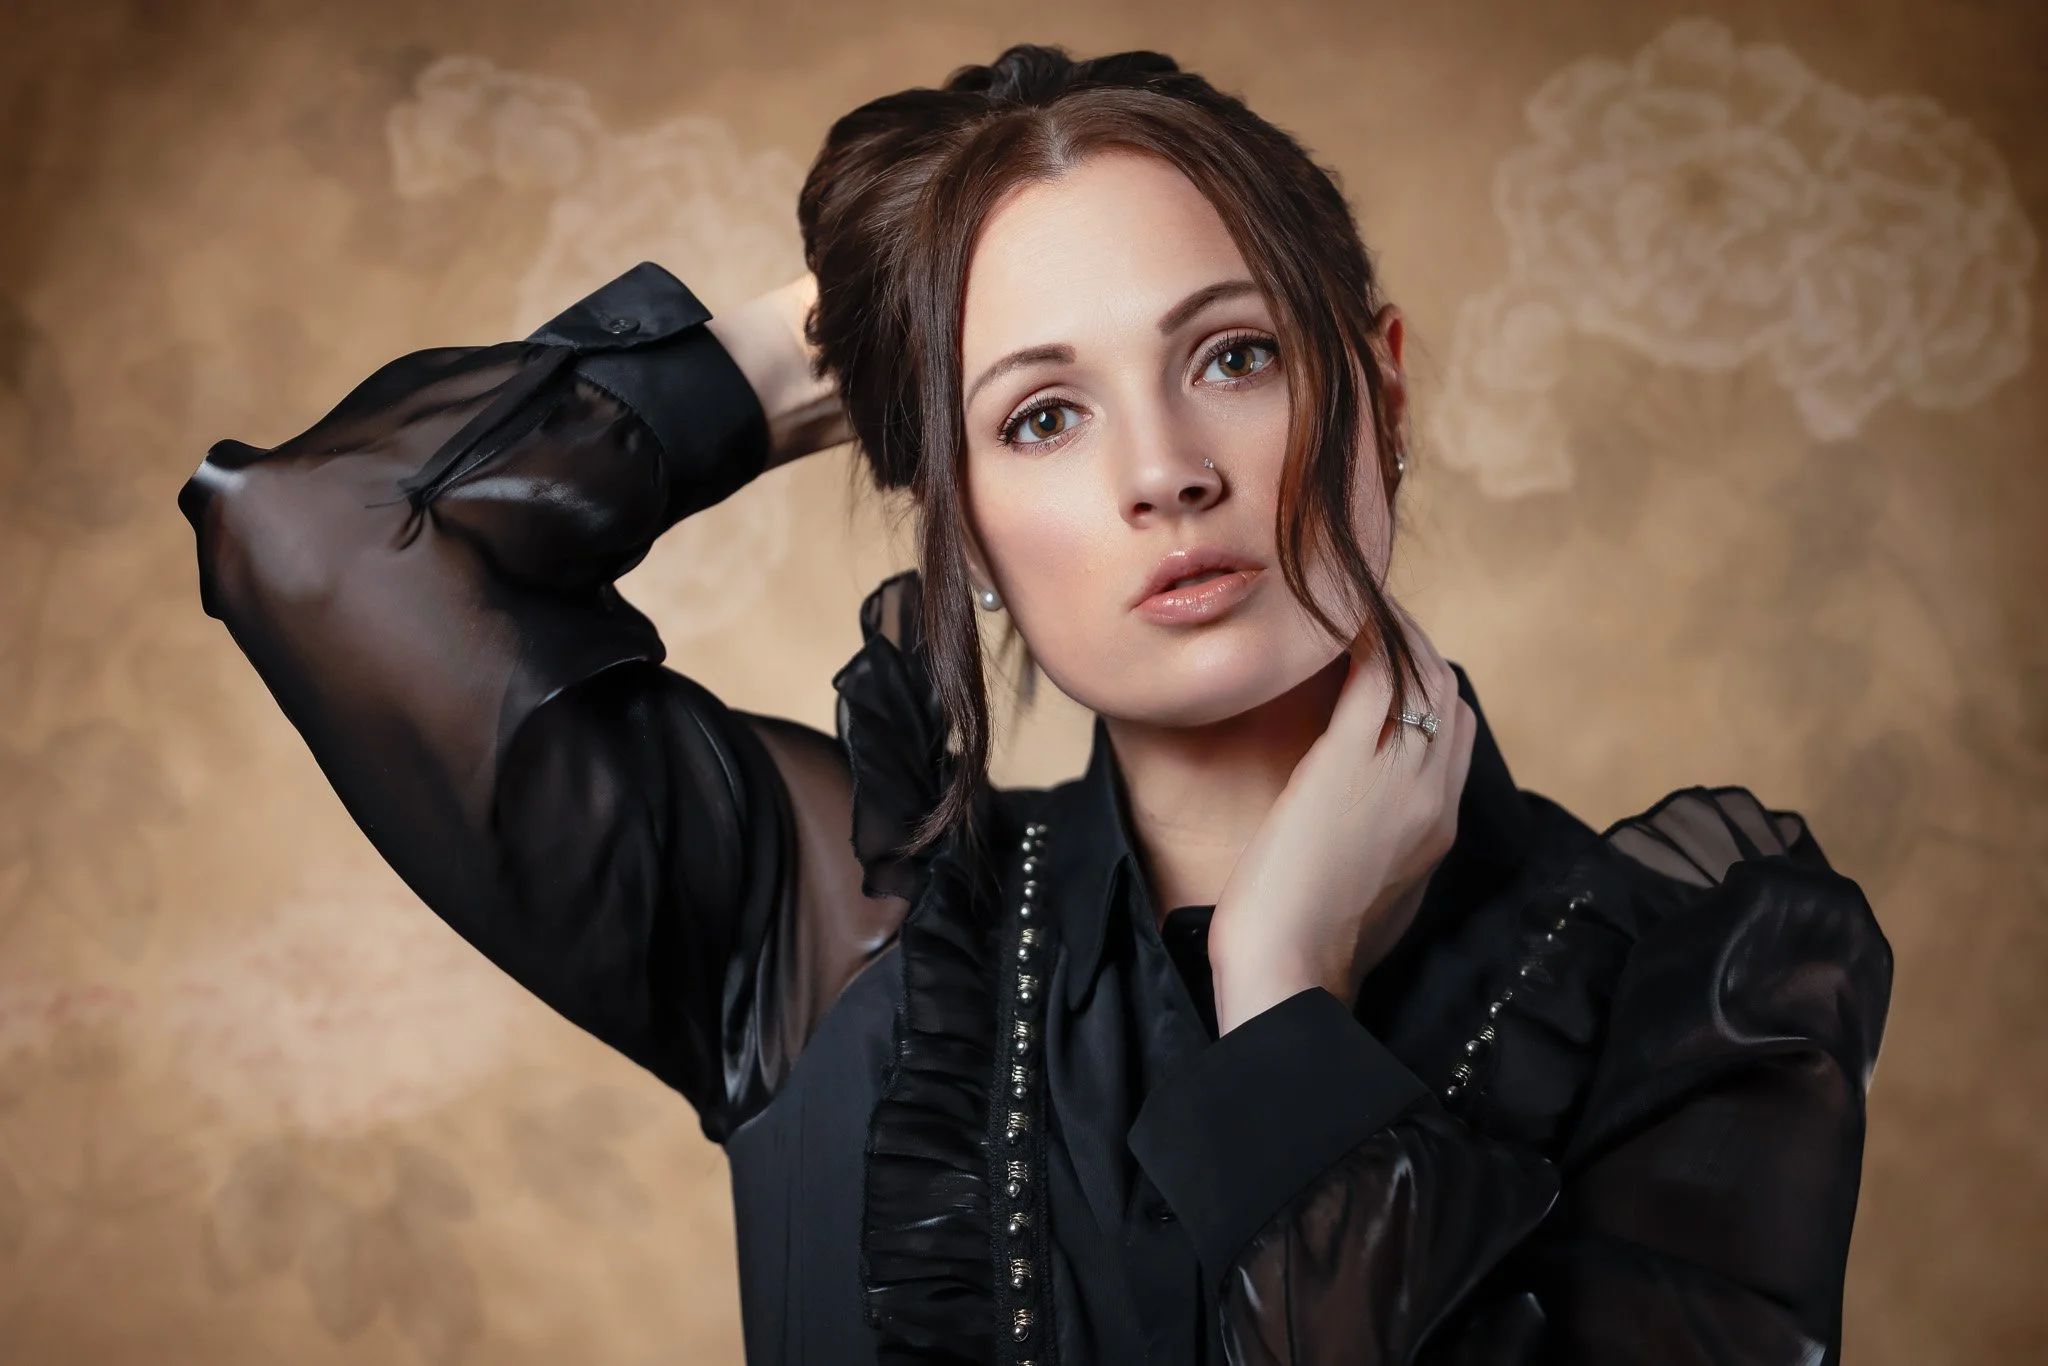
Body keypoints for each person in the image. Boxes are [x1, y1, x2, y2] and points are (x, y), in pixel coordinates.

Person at [179, 44, 1893, 1366]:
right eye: (1038, 420)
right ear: (962, 525)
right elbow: (323, 533)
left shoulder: (1704, 980)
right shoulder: (840, 930)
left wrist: (1284, 998)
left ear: (1378, 387)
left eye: (1233, 358)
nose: (1164, 474)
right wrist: (823, 332)